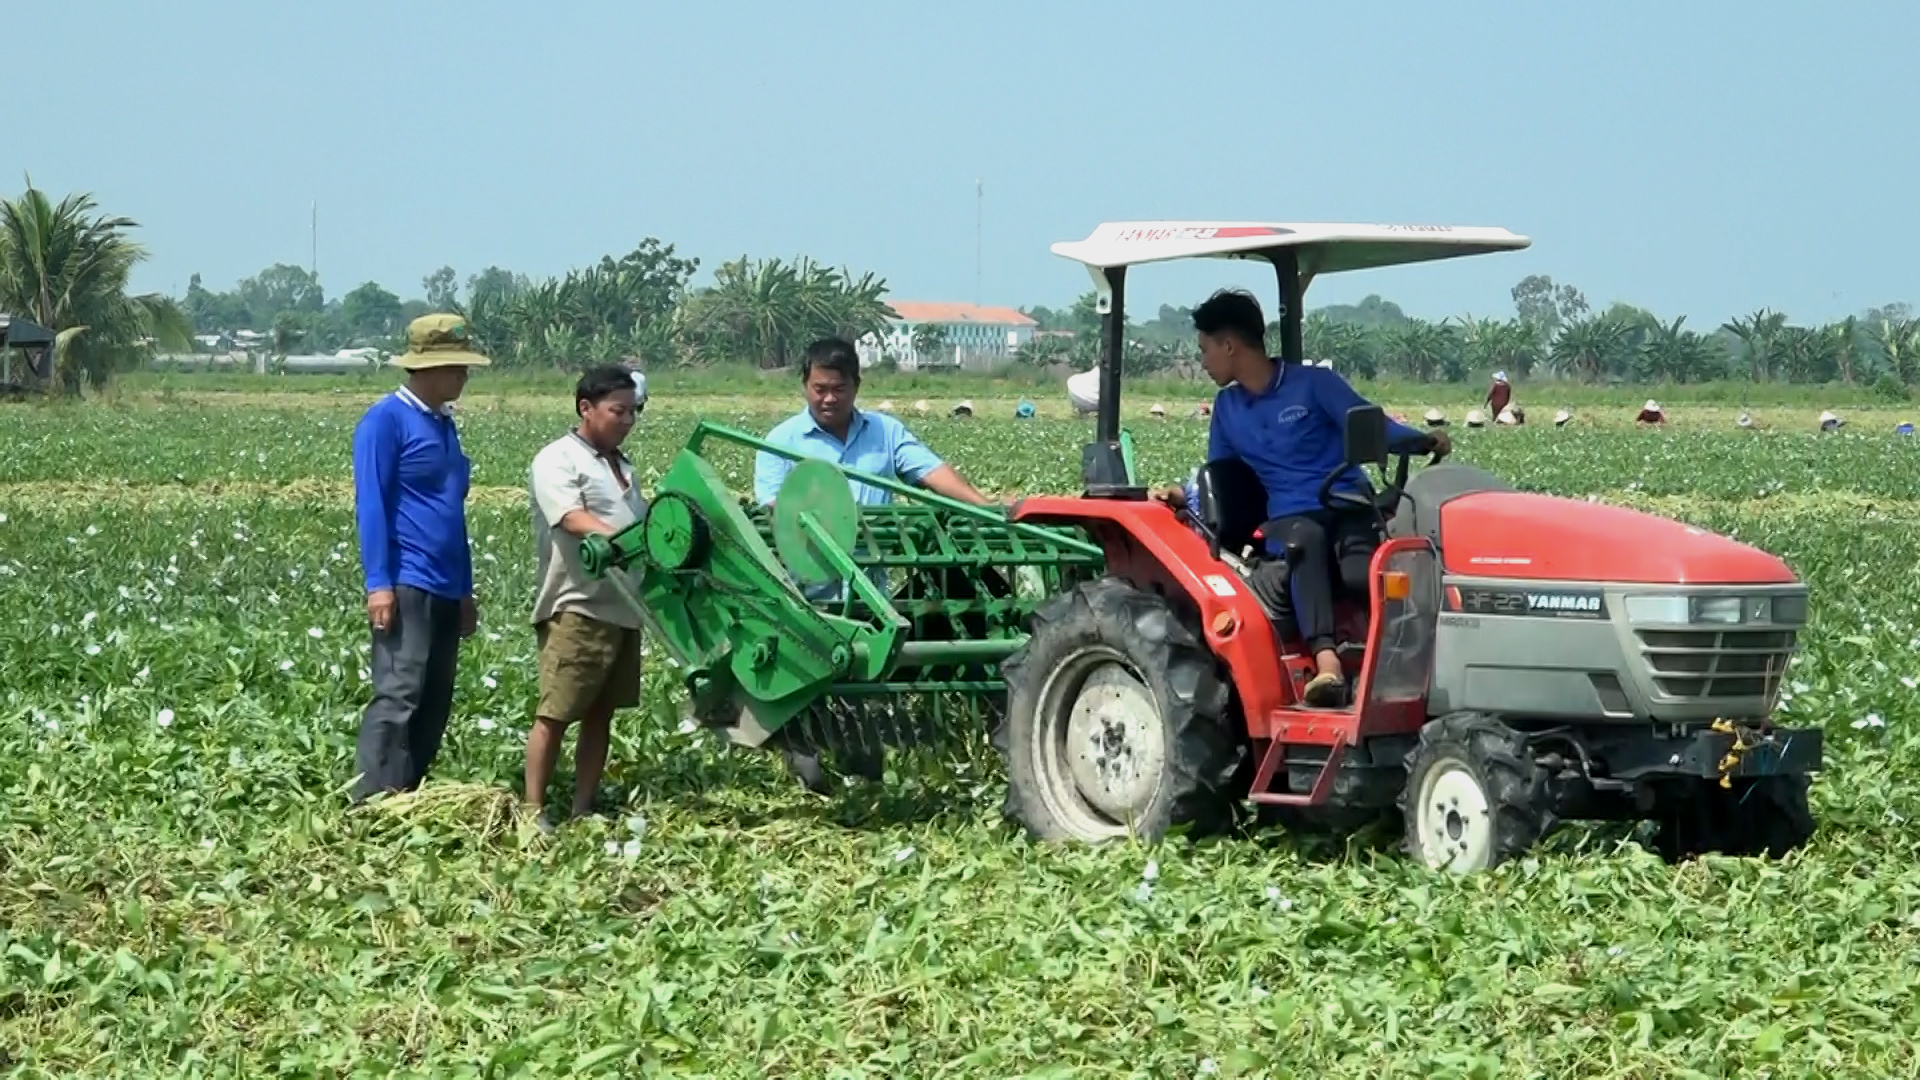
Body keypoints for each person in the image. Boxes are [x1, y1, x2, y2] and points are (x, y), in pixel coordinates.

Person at [1151, 289, 1448, 708]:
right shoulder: (1228, 408)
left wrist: (1421, 440)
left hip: (1345, 503)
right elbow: (1222, 472)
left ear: (1229, 346)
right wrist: (1187, 493)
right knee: (1303, 539)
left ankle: (1408, 657)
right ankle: (1327, 666)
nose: (1202, 360)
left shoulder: (1313, 385)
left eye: (1205, 349)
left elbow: (1370, 424)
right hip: (1290, 520)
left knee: (1361, 574)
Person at [349, 314, 488, 803]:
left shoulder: (443, 425)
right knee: (400, 692)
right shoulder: (385, 421)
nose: (464, 377)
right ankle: (369, 798)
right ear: (427, 368)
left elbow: (452, 514)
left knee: (435, 696)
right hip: (408, 579)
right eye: (456, 368)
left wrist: (465, 589)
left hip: (447, 582)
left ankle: (407, 790)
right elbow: (372, 506)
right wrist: (379, 583)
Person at [523, 365, 650, 829]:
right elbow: (571, 518)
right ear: (586, 408)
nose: (627, 420)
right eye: (617, 411)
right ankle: (532, 810)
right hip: (577, 603)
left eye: (633, 411)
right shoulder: (558, 459)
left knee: (601, 713)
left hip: (624, 608)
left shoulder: (623, 466)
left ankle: (583, 807)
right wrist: (635, 538)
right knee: (556, 712)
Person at [753, 337, 991, 508]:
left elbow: (931, 472)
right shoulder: (780, 441)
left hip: (872, 572)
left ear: (856, 386)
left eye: (839, 389)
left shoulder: (885, 431)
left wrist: (986, 509)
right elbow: (772, 504)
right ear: (805, 386)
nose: (829, 399)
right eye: (820, 389)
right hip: (808, 574)